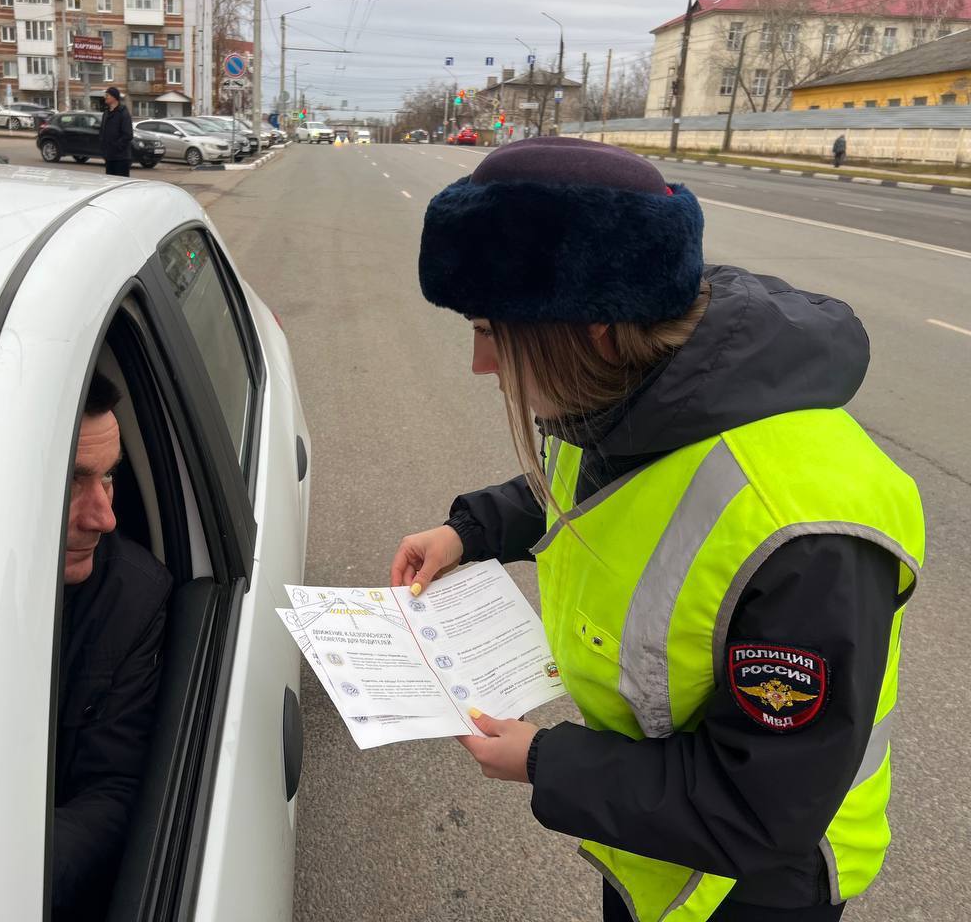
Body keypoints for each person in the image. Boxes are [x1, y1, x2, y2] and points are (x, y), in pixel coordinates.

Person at [392, 138, 924, 922]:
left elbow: (763, 805)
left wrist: (545, 762)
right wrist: (469, 530)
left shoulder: (801, 529)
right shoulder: (632, 399)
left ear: (596, 327)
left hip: (753, 884)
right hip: (652, 836)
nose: (481, 365)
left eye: (491, 332)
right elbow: (602, 486)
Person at [53, 371, 171, 920]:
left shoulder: (131, 596)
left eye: (110, 479)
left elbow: (115, 787)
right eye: (72, 482)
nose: (104, 518)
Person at [99, 86, 134, 178]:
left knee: (120, 187)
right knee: (110, 184)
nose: (105, 97)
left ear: (114, 97)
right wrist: (104, 148)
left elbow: (128, 135)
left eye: (107, 95)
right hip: (109, 157)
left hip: (121, 158)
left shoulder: (123, 113)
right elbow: (103, 132)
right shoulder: (106, 113)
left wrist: (115, 147)